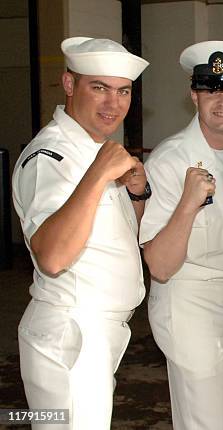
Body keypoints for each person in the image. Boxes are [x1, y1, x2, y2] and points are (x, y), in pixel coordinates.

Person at [12, 37, 149, 429]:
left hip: (94, 336)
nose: (113, 103)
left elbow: (115, 236)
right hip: (72, 335)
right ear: (69, 85)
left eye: (123, 91)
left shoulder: (94, 149)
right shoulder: (51, 157)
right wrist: (98, 173)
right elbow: (52, 256)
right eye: (99, 88)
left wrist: (137, 191)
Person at [139, 41, 223, 430]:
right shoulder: (169, 159)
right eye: (210, 88)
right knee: (204, 422)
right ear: (193, 94)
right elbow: (160, 266)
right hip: (188, 296)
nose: (222, 99)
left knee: (222, 413)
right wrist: (187, 203)